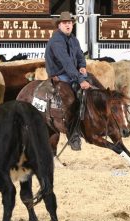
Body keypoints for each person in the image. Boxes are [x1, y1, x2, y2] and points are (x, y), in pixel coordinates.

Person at [45, 11, 91, 151]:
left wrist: (82, 66)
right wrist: (80, 78)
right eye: (65, 23)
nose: (68, 25)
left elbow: (79, 55)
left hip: (71, 72)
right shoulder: (57, 41)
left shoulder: (73, 39)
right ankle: (73, 133)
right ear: (59, 25)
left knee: (92, 85)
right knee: (73, 98)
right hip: (60, 74)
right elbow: (66, 63)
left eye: (70, 23)